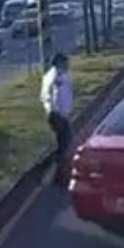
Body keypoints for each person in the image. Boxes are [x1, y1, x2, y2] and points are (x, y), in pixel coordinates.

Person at [40, 52, 73, 186]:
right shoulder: (57, 77)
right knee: (64, 145)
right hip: (58, 115)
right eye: (66, 62)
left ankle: (53, 171)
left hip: (58, 114)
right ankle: (53, 174)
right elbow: (56, 97)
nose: (68, 65)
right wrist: (61, 114)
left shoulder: (53, 75)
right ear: (60, 63)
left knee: (63, 144)